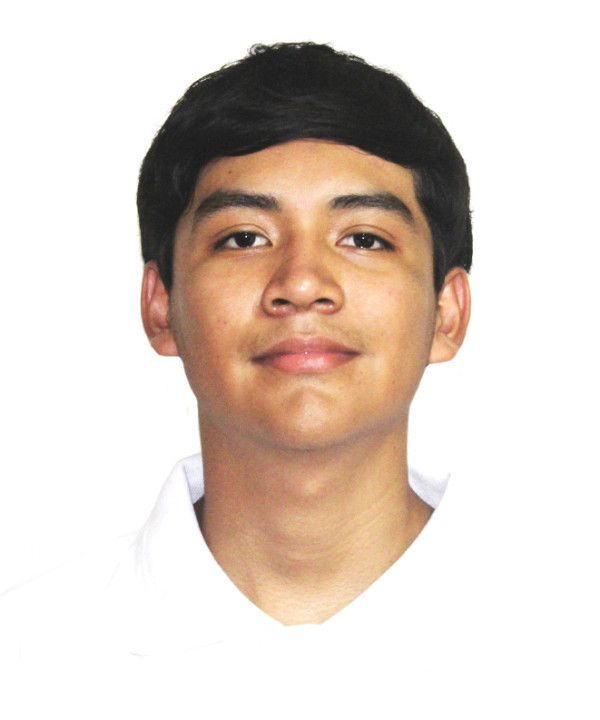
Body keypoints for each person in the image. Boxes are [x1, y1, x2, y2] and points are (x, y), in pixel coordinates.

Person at [1, 43, 472, 718]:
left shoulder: (570, 637)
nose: (302, 284)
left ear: (446, 313)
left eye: (364, 238)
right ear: (160, 306)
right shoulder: (22, 662)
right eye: (244, 238)